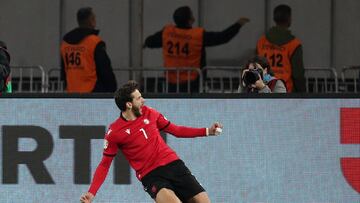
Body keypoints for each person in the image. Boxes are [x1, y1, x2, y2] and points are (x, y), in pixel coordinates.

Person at [80, 80, 223, 203]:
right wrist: (92, 193)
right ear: (129, 104)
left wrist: (207, 131)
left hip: (175, 165)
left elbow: (177, 130)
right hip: (152, 176)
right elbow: (104, 165)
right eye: (139, 98)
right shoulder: (114, 132)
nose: (143, 100)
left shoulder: (150, 113)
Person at [144, 6, 250, 93]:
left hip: (172, 80)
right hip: (192, 81)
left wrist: (145, 44)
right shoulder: (197, 35)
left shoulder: (167, 32)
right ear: (190, 20)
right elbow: (222, 37)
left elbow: (150, 41)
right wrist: (238, 25)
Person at [60, 7, 117, 93]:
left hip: (72, 93)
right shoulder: (94, 42)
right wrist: (111, 89)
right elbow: (105, 70)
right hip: (92, 92)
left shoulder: (65, 43)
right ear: (91, 21)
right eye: (94, 18)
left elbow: (64, 71)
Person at [256, 4, 305, 93]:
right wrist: (302, 93)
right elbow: (298, 74)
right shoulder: (294, 44)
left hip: (264, 89)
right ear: (289, 19)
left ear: (274, 19)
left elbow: (254, 66)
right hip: (285, 90)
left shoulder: (261, 41)